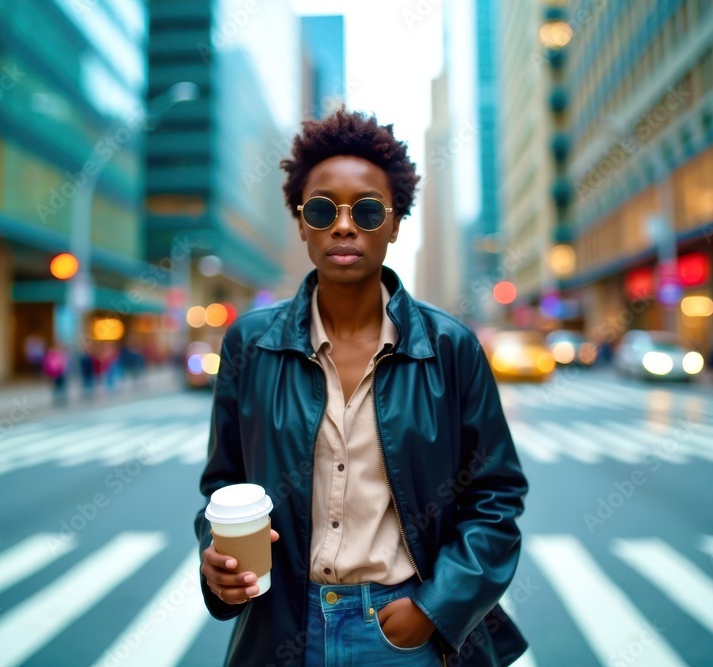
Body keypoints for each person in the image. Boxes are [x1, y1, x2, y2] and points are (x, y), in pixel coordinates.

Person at [196, 109, 529, 666]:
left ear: (395, 224)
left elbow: (494, 498)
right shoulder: (250, 345)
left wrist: (435, 607)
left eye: (368, 211)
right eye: (323, 209)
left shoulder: (451, 349)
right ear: (301, 222)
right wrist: (218, 560)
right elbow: (224, 484)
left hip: (403, 630)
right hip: (283, 629)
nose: (344, 226)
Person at [43, 342, 69, 406]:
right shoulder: (50, 355)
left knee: (62, 387)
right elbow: (47, 366)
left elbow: (65, 364)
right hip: (54, 374)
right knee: (56, 388)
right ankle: (57, 400)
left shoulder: (61, 354)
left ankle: (62, 400)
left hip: (61, 374)